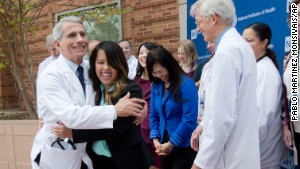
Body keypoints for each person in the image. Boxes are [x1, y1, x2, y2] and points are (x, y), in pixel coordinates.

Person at [31, 16, 145, 169]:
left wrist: (142, 105)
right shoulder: (51, 75)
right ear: (57, 44)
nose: (80, 39)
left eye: (82, 34)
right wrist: (115, 111)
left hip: (87, 155)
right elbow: (71, 116)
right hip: (58, 155)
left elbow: (120, 82)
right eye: (72, 35)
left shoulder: (89, 69)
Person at [52, 41, 154, 169]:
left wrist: (74, 133)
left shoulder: (131, 89)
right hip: (97, 159)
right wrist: (47, 118)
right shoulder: (92, 89)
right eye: (100, 62)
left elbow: (117, 129)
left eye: (111, 63)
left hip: (128, 160)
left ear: (120, 64)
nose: (106, 67)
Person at [189, 0, 260, 169]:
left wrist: (199, 164)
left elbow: (221, 118)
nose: (198, 29)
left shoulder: (226, 54)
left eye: (199, 22)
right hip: (239, 154)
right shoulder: (238, 47)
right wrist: (204, 125)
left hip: (230, 158)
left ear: (213, 18)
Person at [242, 22, 288, 169]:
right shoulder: (255, 67)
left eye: (249, 41)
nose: (244, 45)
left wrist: (243, 148)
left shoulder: (266, 72)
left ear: (264, 43)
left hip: (263, 156)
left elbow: (260, 119)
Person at [147, 45, 198, 169]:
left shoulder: (186, 84)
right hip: (164, 142)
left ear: (169, 65)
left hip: (184, 144)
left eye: (161, 71)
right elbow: (154, 115)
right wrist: (156, 140)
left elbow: (189, 120)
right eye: (154, 73)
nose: (158, 75)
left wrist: (171, 144)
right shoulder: (157, 86)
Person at [134, 42, 161, 168]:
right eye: (141, 53)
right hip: (140, 133)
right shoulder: (135, 82)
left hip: (158, 132)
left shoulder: (161, 79)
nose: (144, 55)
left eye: (147, 52)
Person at [282, 0, 300, 166]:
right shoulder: (289, 57)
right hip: (297, 128)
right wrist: (286, 126)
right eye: (296, 16)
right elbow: (287, 94)